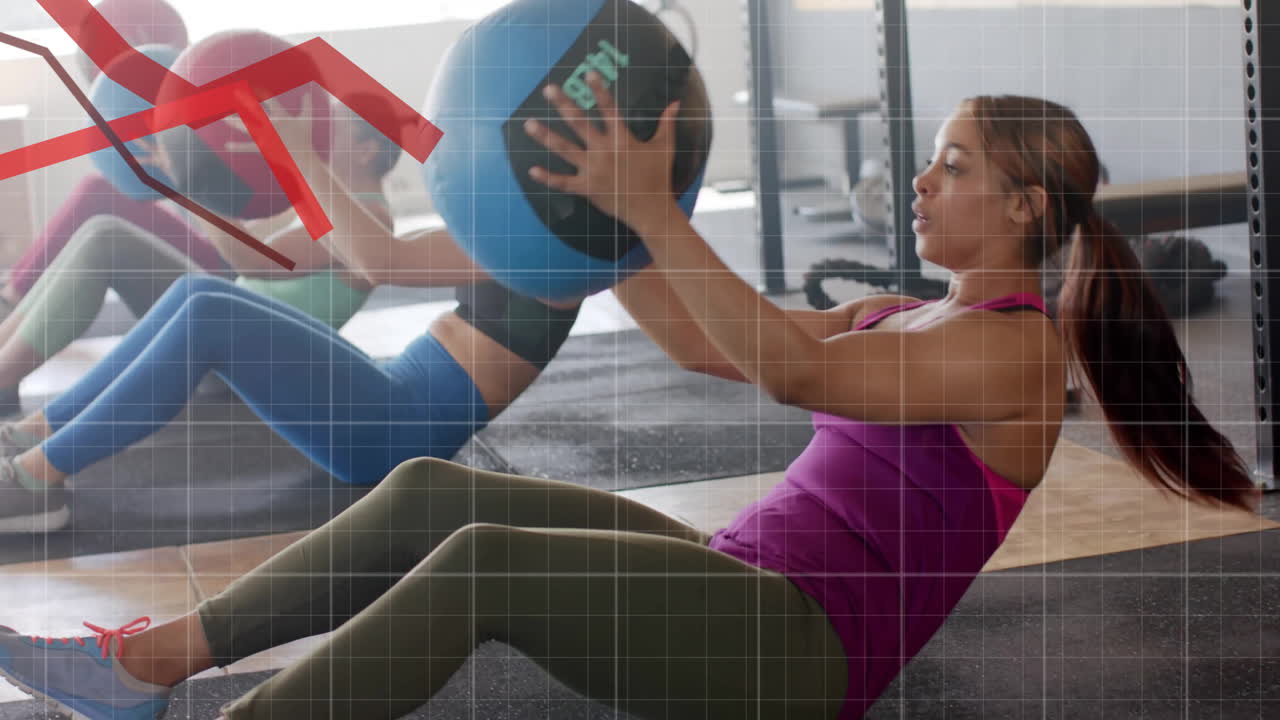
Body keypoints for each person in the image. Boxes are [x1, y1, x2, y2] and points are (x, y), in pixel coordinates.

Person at [0, 82, 1259, 719]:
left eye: (953, 166)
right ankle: (150, 665)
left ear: (1025, 207)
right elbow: (715, 343)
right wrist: (593, 220)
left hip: (809, 650)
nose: (920, 184)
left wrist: (655, 205)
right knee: (433, 492)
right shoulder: (901, 308)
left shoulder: (1014, 353)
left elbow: (792, 370)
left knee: (485, 561)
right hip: (751, 568)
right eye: (930, 160)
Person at [0, 97, 581, 535]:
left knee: (207, 309)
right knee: (195, 296)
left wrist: (293, 148)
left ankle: (35, 481)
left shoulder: (551, 253)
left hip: (397, 432)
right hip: (395, 396)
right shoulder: (514, 239)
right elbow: (268, 254)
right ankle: (36, 438)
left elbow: (378, 259)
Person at [0, 102, 394, 416]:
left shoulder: (369, 220)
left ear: (366, 150)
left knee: (107, 238)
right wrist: (182, 178)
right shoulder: (338, 208)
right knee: (98, 231)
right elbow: (253, 247)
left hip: (244, 366)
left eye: (336, 126)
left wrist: (189, 177)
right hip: (229, 332)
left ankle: (2, 378)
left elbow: (251, 260)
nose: (319, 134)